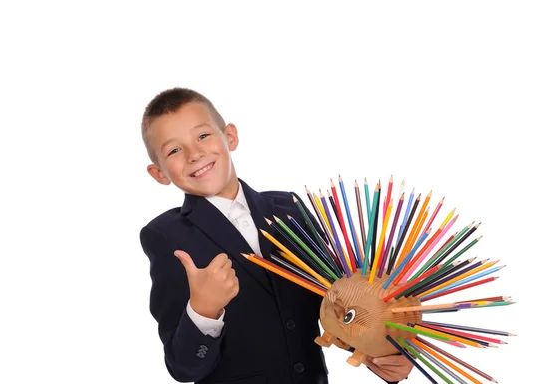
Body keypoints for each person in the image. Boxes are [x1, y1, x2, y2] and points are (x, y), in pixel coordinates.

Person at [139, 87, 414, 384]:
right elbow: (183, 367)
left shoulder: (289, 208)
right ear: (159, 173)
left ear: (230, 136)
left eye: (203, 136)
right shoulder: (166, 236)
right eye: (174, 150)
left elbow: (334, 305)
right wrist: (203, 310)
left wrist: (386, 353)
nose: (194, 154)